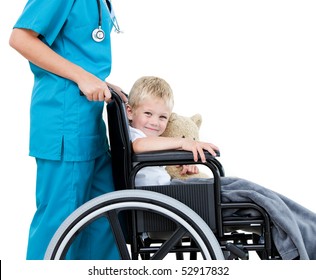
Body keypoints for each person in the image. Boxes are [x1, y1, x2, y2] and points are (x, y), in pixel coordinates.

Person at [126, 76, 316, 260]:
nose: (154, 122)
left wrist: (178, 163)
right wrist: (182, 144)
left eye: (162, 117)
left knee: (242, 186)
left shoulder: (146, 139)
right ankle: (304, 241)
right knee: (250, 196)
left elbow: (149, 156)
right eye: (148, 114)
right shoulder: (134, 137)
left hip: (170, 198)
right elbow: (140, 145)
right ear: (130, 111)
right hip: (164, 209)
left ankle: (309, 229)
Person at [9, 0, 127, 260]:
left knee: (105, 222)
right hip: (65, 122)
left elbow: (75, 49)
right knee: (61, 227)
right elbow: (20, 38)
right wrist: (83, 77)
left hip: (89, 124)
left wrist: (99, 81)